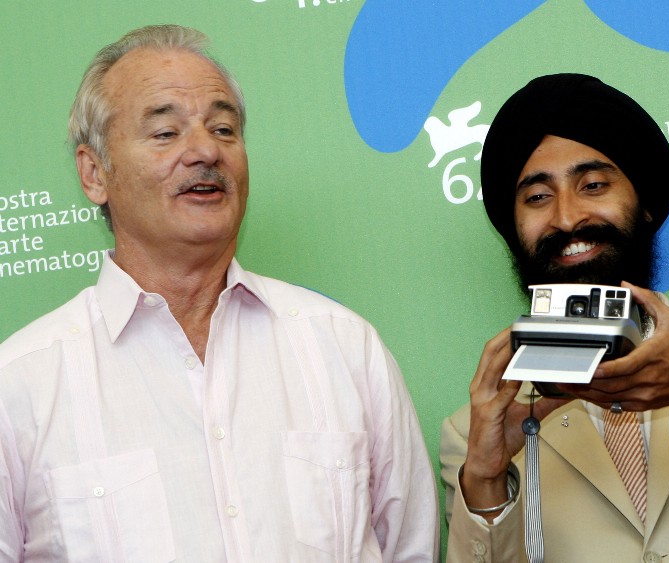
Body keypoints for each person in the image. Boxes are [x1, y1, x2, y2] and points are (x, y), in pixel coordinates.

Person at [0, 25, 438, 562]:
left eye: (224, 128)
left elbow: (410, 550)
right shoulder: (19, 385)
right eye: (165, 133)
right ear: (94, 174)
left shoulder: (344, 348)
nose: (206, 149)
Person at [440, 73, 669, 561]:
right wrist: (485, 475)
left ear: (645, 204)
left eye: (592, 185)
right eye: (538, 197)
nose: (567, 219)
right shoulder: (480, 427)